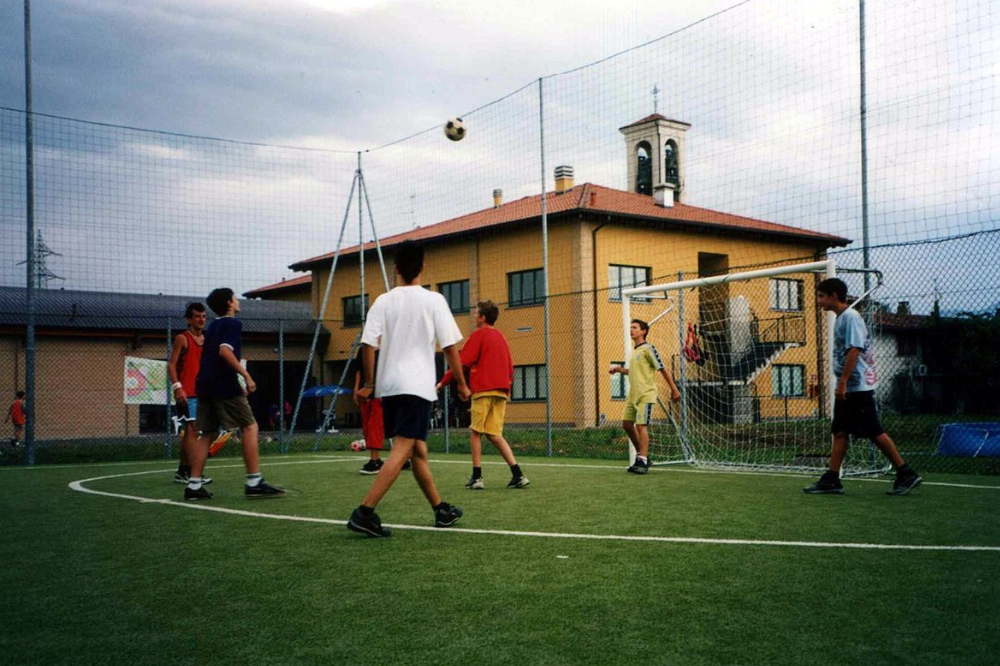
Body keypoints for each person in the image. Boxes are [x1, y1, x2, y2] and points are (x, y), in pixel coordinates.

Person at [347, 241, 471, 538]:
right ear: (423, 267)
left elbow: (368, 344)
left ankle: (440, 510)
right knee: (404, 449)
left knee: (418, 451)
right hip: (415, 387)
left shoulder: (383, 301)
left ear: (396, 269)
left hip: (388, 388)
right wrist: (463, 385)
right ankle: (365, 512)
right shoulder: (434, 301)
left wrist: (368, 384)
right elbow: (451, 348)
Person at [804, 278, 922, 496]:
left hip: (856, 388)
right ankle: (831, 479)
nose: (818, 300)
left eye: (821, 296)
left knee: (874, 432)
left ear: (834, 296)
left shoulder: (850, 317)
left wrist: (842, 383)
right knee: (839, 431)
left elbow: (854, 351)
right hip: (848, 388)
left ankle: (906, 473)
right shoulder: (841, 319)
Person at [183, 288, 284, 501]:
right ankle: (254, 481)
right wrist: (246, 376)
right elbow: (224, 352)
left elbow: (212, 357)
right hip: (222, 384)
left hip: (205, 384)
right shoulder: (232, 324)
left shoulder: (212, 327)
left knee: (207, 433)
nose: (238, 301)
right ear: (230, 303)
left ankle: (193, 486)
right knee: (250, 426)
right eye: (235, 298)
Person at [437, 299, 529, 490]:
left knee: (476, 432)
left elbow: (461, 362)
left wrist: (442, 383)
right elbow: (510, 367)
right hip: (501, 392)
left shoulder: (479, 335)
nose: (474, 315)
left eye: (476, 312)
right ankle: (518, 474)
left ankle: (477, 477)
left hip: (484, 391)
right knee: (494, 434)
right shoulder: (501, 337)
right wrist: (507, 387)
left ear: (483, 317)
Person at [609, 319, 681, 475]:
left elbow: (662, 369)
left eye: (634, 327)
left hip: (646, 395)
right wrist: (619, 370)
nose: (631, 330)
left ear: (643, 331)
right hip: (633, 395)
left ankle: (642, 460)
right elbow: (634, 372)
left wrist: (674, 389)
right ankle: (643, 456)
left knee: (641, 426)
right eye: (630, 327)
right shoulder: (635, 352)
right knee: (627, 425)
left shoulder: (649, 349)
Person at [167, 302, 212, 485]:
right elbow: (171, 365)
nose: (201, 320)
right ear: (188, 319)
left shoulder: (208, 339)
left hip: (204, 392)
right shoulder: (182, 338)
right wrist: (178, 387)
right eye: (196, 316)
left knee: (192, 432)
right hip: (187, 393)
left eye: (203, 316)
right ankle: (195, 472)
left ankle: (182, 471)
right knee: (192, 430)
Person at [354, 347, 387, 474]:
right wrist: (356, 390)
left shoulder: (388, 347)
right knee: (367, 429)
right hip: (365, 395)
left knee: (375, 427)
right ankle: (378, 460)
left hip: (380, 395)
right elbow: (358, 371)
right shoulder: (364, 349)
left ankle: (374, 461)